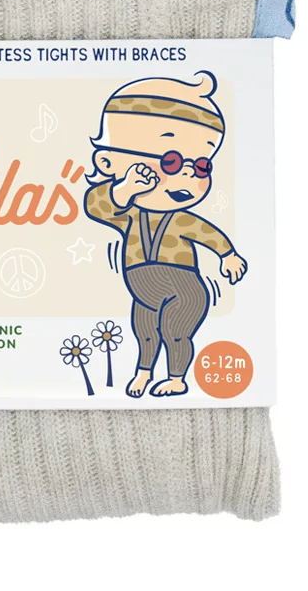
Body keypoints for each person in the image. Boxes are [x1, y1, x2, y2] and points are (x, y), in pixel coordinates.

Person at [84, 71, 247, 396]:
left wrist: (228, 255)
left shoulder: (182, 220)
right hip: (143, 289)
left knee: (174, 331)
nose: (188, 174)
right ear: (107, 163)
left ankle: (176, 378)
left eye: (201, 166)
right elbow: (96, 206)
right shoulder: (128, 213)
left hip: (184, 288)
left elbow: (208, 233)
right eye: (170, 161)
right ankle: (144, 372)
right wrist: (124, 189)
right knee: (144, 330)